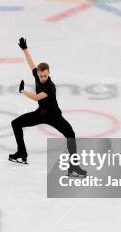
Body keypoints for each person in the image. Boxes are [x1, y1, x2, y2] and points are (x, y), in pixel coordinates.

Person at [9, 37, 87, 178]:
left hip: (54, 116)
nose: (42, 78)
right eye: (40, 76)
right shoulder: (37, 75)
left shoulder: (50, 87)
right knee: (16, 123)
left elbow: (36, 98)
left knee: (70, 134)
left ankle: (73, 166)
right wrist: (25, 49)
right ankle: (21, 153)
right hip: (41, 113)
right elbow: (31, 63)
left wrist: (23, 91)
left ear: (49, 73)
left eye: (45, 75)